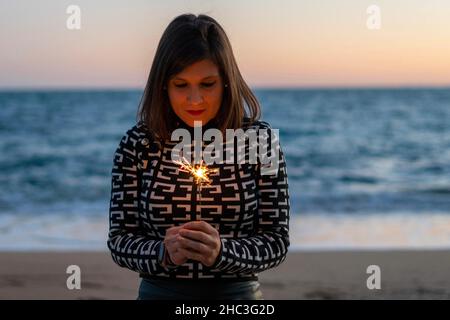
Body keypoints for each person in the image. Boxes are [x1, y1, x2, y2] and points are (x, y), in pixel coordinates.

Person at [107, 13, 290, 300]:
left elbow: (277, 241)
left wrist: (222, 252)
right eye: (181, 85)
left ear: (227, 82)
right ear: (163, 85)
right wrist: (162, 252)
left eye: (207, 84)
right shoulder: (138, 144)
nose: (195, 100)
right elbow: (119, 240)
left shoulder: (259, 141)